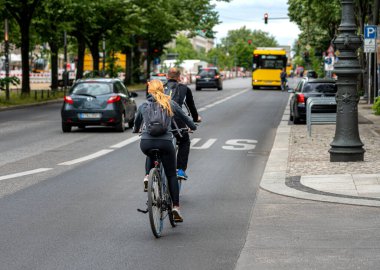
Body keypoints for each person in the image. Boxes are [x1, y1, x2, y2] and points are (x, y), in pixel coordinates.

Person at [133, 79, 197, 222]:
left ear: (149, 90)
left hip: (146, 143)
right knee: (171, 175)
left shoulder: (143, 105)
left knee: (150, 151)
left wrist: (136, 130)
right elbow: (187, 120)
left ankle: (147, 176)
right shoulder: (170, 103)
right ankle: (175, 207)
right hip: (166, 143)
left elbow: (136, 125)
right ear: (163, 89)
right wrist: (192, 127)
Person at [164, 67, 202, 180]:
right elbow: (191, 106)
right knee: (184, 141)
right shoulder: (184, 89)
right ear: (179, 78)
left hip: (160, 120)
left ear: (167, 76)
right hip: (177, 121)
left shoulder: (160, 87)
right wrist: (196, 118)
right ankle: (180, 170)